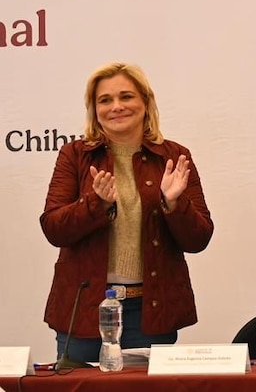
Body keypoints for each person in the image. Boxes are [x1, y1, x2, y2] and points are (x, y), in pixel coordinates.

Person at [41, 62, 214, 363]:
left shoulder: (174, 157)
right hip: (84, 311)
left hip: (149, 311)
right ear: (94, 110)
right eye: (105, 100)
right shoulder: (74, 155)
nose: (116, 106)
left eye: (126, 97)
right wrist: (96, 204)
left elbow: (198, 239)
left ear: (146, 103)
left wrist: (174, 204)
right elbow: (54, 228)